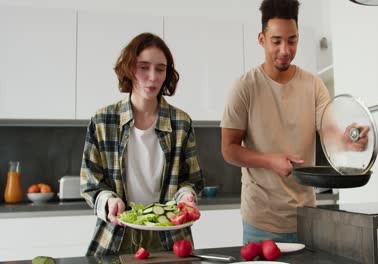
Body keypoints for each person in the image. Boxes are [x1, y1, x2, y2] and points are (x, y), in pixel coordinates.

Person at [80, 32, 204, 256]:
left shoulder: (181, 123)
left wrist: (187, 197)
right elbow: (90, 182)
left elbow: (191, 179)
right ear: (129, 68)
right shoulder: (103, 120)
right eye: (144, 67)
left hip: (171, 237)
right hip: (116, 235)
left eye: (160, 68)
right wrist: (108, 200)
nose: (153, 77)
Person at [221, 0, 330, 244]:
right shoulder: (244, 87)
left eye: (292, 40)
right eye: (276, 41)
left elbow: (329, 129)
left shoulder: (314, 85)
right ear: (262, 39)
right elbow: (228, 149)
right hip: (261, 221)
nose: (285, 50)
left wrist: (349, 138)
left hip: (307, 217)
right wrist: (270, 160)